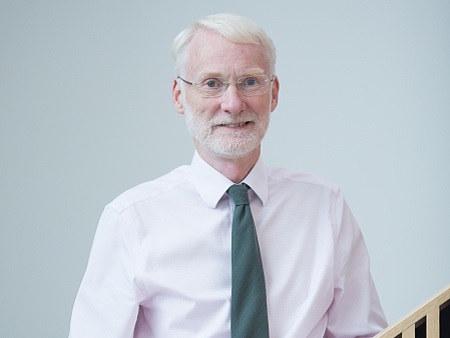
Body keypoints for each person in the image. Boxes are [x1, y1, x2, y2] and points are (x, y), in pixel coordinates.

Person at [69, 13, 388, 337]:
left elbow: (362, 334)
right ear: (180, 95)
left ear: (273, 93)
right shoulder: (131, 220)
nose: (233, 104)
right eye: (212, 84)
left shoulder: (324, 206)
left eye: (250, 81)